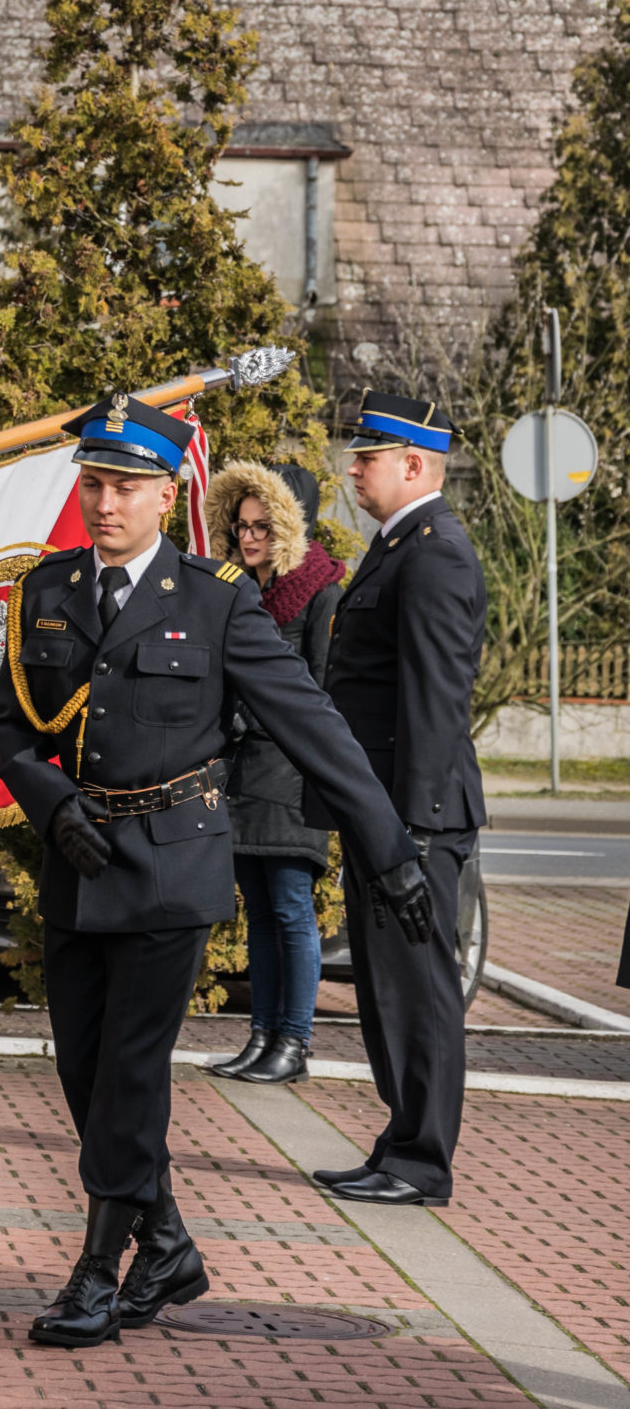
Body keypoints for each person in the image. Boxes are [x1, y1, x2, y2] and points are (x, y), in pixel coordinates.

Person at [0, 393, 428, 1348]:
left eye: (126, 486)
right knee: (82, 1073)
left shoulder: (215, 598)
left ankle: (98, 1270)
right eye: (94, 483)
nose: (106, 503)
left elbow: (313, 725)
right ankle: (169, 1245)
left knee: (129, 1076)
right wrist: (53, 806)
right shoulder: (45, 592)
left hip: (172, 866)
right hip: (78, 864)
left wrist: (387, 847)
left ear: (166, 495)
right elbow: (12, 730)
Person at [305, 392, 485, 1207]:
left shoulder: (434, 553)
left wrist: (411, 831)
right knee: (387, 992)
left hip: (414, 817)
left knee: (418, 992)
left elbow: (436, 704)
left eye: (368, 457)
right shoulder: (399, 546)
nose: (354, 469)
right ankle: (400, 1141)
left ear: (414, 464)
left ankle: (421, 1162)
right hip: (383, 812)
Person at [203, 461, 346, 1085]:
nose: (249, 537)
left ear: (290, 526)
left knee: (291, 909)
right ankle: (262, 1036)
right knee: (258, 913)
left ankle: (295, 1042)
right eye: (241, 526)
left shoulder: (321, 590)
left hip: (291, 774)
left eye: (262, 526)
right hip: (242, 773)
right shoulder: (239, 591)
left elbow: (321, 694)